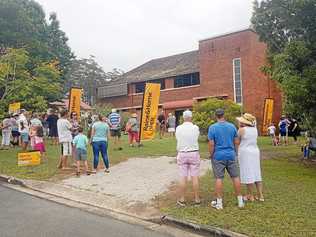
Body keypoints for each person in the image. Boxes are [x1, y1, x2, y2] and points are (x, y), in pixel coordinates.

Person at [208, 108, 244, 210]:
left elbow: (211, 144)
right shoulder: (232, 126)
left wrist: (211, 155)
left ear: (216, 116)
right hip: (231, 154)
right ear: (224, 115)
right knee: (235, 177)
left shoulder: (212, 128)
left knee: (219, 178)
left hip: (218, 156)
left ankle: (219, 203)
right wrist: (235, 153)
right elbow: (236, 141)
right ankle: (240, 201)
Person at [175, 110, 201, 206]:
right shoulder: (195, 127)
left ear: (183, 117)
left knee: (183, 177)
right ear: (191, 117)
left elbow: (177, 138)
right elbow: (196, 137)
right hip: (193, 153)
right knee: (195, 177)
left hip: (182, 153)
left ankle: (182, 199)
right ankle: (197, 199)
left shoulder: (178, 128)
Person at [237, 113, 264, 202]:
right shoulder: (254, 129)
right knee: (256, 172)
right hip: (255, 151)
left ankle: (250, 195)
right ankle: (260, 195)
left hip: (245, 152)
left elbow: (237, 141)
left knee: (248, 172)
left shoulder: (241, 130)